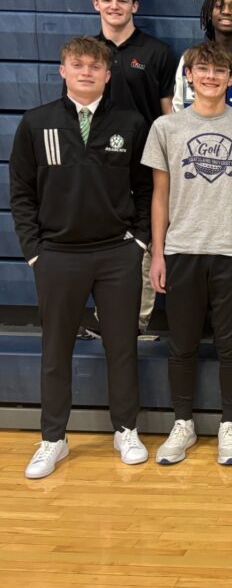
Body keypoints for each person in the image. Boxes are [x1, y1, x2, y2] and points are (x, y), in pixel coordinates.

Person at [13, 36, 152, 479]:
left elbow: (147, 189)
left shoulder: (131, 122)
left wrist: (140, 243)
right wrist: (35, 253)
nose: (87, 72)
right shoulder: (36, 123)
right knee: (55, 351)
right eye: (78, 65)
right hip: (58, 255)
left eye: (96, 66)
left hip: (116, 254)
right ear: (63, 71)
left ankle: (125, 429)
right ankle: (53, 438)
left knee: (122, 348)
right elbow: (21, 194)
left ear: (108, 74)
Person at [143, 40, 232, 466]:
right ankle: (183, 423)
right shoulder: (166, 127)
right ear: (188, 76)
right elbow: (160, 195)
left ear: (231, 79)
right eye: (202, 70)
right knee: (183, 344)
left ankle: (230, 425)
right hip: (182, 248)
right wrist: (158, 253)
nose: (210, 77)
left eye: (219, 71)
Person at [85, 0, 175, 337]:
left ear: (134, 5)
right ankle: (104, 315)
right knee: (99, 236)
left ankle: (137, 319)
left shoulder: (156, 52)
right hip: (99, 164)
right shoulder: (85, 54)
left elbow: (168, 110)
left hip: (145, 161)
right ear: (96, 4)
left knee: (146, 238)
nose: (115, 5)